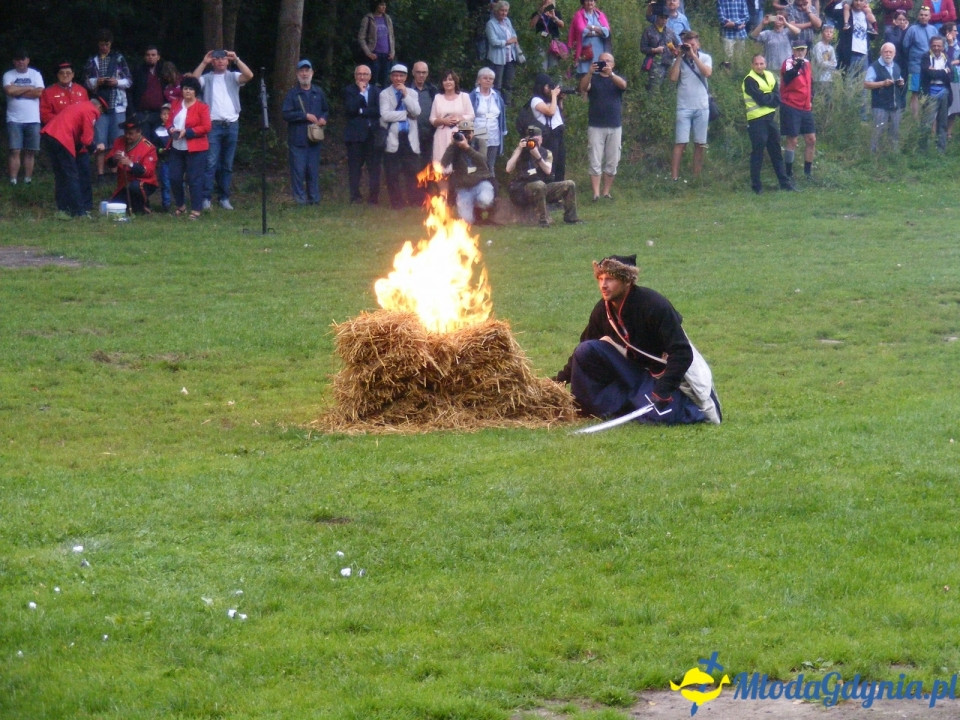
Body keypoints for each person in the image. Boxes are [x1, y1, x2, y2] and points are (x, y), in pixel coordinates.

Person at [553, 254, 721, 425]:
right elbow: (582, 350)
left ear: (627, 281)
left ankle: (686, 409)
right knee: (585, 350)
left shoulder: (654, 305)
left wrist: (663, 390)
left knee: (660, 415)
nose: (603, 285)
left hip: (661, 377)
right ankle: (610, 405)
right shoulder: (602, 310)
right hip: (631, 372)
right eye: (600, 278)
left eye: (610, 279)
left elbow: (682, 353)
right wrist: (556, 384)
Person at [193, 48, 254, 210]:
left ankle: (224, 197)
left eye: (223, 59)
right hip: (213, 125)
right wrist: (203, 62)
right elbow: (191, 82)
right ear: (212, 62)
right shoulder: (206, 78)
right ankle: (206, 198)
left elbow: (249, 75)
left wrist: (237, 59)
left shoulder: (233, 76)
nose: (220, 61)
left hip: (232, 124)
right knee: (210, 163)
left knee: (227, 164)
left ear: (227, 61)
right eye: (217, 59)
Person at [40, 97, 106, 219]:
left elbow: (77, 133)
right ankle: (79, 211)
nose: (99, 116)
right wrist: (95, 148)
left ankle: (63, 208)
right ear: (99, 108)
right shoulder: (91, 111)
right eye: (102, 112)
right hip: (63, 138)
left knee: (60, 175)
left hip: (49, 135)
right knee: (72, 175)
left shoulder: (79, 105)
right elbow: (87, 139)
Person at [505, 125, 581, 226]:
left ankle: (571, 218)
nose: (534, 143)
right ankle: (543, 220)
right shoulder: (520, 152)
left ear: (541, 139)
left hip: (542, 188)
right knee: (539, 185)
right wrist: (519, 149)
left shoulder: (546, 153)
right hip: (523, 190)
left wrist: (537, 156)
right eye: (531, 140)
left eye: (537, 140)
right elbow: (508, 169)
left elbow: (548, 171)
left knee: (569, 184)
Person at [742, 54, 795, 193]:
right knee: (758, 152)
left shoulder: (770, 76)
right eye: (756, 64)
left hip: (770, 119)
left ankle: (784, 183)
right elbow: (761, 100)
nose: (759, 66)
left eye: (761, 63)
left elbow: (778, 97)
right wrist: (770, 97)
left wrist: (769, 97)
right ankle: (756, 186)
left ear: (765, 64)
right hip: (756, 120)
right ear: (752, 65)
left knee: (776, 151)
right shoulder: (749, 80)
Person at [85, 29, 131, 182]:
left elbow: (129, 81)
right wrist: (96, 82)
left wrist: (116, 82)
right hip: (99, 105)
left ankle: (115, 171)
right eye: (101, 44)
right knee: (100, 140)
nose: (104, 47)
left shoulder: (118, 59)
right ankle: (100, 173)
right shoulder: (93, 60)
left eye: (106, 44)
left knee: (117, 140)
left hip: (117, 104)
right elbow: (87, 81)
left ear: (110, 44)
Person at [281, 59, 330, 205]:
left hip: (314, 139)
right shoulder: (292, 94)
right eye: (301, 71)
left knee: (313, 171)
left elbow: (326, 110)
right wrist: (304, 116)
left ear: (312, 73)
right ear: (297, 73)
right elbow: (286, 114)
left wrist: (323, 118)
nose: (304, 73)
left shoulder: (318, 92)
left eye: (307, 70)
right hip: (297, 139)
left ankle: (314, 199)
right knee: (298, 171)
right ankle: (300, 200)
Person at [579, 51, 626, 199]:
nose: (604, 63)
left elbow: (623, 85)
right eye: (601, 61)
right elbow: (583, 87)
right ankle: (596, 193)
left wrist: (611, 74)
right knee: (595, 159)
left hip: (614, 125)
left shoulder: (616, 78)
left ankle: (606, 192)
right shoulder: (594, 78)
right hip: (596, 125)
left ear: (613, 64)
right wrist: (589, 73)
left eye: (608, 61)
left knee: (613, 160)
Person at [667, 31, 712, 182]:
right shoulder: (679, 59)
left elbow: (707, 73)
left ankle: (696, 177)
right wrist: (680, 56)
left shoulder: (705, 58)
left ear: (698, 45)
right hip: (684, 106)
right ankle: (674, 177)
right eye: (688, 44)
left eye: (693, 44)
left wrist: (693, 55)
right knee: (680, 142)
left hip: (702, 106)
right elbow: (673, 78)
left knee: (700, 143)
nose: (690, 47)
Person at [166, 75, 211, 219]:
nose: (188, 92)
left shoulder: (202, 107)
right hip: (176, 147)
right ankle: (181, 205)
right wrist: (171, 129)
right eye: (185, 88)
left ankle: (196, 209)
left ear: (195, 91)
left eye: (191, 89)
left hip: (196, 149)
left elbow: (206, 127)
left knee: (194, 179)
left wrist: (188, 132)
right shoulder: (175, 104)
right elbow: (168, 122)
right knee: (174, 177)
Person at [379, 64, 422, 209]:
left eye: (401, 76)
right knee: (392, 173)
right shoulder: (385, 94)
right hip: (394, 137)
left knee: (412, 171)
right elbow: (385, 115)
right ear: (391, 77)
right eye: (395, 75)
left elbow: (416, 112)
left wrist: (405, 95)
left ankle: (414, 200)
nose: (398, 78)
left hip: (410, 138)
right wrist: (405, 115)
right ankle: (396, 203)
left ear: (406, 77)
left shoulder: (412, 93)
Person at [440, 119, 495, 224]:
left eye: (468, 133)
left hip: (480, 183)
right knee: (466, 221)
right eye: (463, 132)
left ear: (473, 132)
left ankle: (481, 209)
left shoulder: (479, 142)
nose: (465, 136)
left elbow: (483, 160)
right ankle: (473, 211)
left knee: (485, 200)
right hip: (464, 188)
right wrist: (452, 145)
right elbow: (444, 164)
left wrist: (467, 148)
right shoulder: (455, 146)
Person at [4, 50, 44, 186]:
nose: (21, 62)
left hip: (33, 119)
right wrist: (28, 88)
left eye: (23, 59)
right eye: (18, 59)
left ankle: (28, 180)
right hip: (14, 119)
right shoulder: (8, 74)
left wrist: (18, 91)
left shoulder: (35, 74)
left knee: (30, 151)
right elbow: (9, 91)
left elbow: (39, 92)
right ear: (14, 61)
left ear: (28, 60)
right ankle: (13, 180)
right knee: (15, 150)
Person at [343, 64, 382, 204]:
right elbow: (350, 109)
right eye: (359, 74)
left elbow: (378, 111)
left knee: (374, 169)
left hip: (372, 136)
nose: (362, 77)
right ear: (355, 76)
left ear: (370, 77)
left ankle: (373, 198)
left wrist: (361, 111)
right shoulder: (349, 90)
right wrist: (360, 93)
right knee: (354, 169)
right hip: (355, 137)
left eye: (365, 74)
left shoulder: (377, 91)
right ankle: (355, 197)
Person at [105, 116, 158, 214]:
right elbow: (109, 163)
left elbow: (148, 172)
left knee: (135, 188)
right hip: (124, 183)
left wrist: (131, 164)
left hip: (144, 182)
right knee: (115, 205)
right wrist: (114, 159)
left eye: (131, 134)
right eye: (126, 133)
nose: (127, 136)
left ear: (139, 132)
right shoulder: (119, 142)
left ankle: (144, 205)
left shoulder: (149, 148)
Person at [780, 41, 816, 178]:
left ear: (806, 50)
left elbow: (810, 83)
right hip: (791, 104)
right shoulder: (788, 62)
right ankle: (788, 173)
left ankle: (808, 173)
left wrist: (811, 98)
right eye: (798, 50)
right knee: (792, 140)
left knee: (811, 139)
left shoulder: (807, 63)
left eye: (803, 50)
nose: (800, 52)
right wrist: (797, 67)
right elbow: (787, 77)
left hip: (805, 106)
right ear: (793, 50)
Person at [864, 41, 906, 151]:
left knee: (894, 133)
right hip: (880, 105)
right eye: (885, 52)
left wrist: (901, 83)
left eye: (890, 52)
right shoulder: (874, 67)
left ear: (894, 54)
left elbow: (900, 80)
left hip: (895, 104)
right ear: (881, 53)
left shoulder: (896, 66)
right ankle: (873, 157)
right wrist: (882, 83)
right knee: (877, 132)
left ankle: (892, 157)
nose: (888, 54)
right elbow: (866, 84)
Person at [430, 70, 474, 168]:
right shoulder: (438, 97)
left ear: (455, 82)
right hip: (441, 135)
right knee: (441, 168)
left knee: (459, 167)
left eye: (450, 79)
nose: (448, 82)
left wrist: (460, 118)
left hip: (459, 135)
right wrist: (443, 121)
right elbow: (432, 119)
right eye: (445, 80)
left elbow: (471, 115)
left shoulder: (464, 96)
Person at [470, 67, 508, 178]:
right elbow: (466, 115)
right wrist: (466, 133)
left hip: (493, 133)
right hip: (477, 133)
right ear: (479, 80)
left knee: (490, 165)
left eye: (491, 79)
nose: (488, 80)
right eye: (485, 78)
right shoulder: (473, 96)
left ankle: (491, 189)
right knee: (477, 163)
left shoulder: (497, 97)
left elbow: (502, 117)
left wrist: (503, 131)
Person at [530, 73, 568, 181]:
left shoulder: (550, 99)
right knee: (552, 163)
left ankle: (560, 190)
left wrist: (559, 100)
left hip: (558, 133)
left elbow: (558, 112)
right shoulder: (535, 100)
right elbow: (550, 112)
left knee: (561, 163)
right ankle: (549, 189)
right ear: (540, 86)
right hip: (549, 135)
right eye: (547, 86)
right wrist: (554, 96)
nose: (548, 89)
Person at [903, 6, 939, 115]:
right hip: (916, 66)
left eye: (926, 15)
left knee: (930, 91)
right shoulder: (912, 29)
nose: (923, 17)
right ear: (918, 16)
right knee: (915, 92)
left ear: (930, 17)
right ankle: (915, 120)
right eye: (921, 15)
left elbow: (938, 45)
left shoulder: (933, 29)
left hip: (930, 66)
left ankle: (928, 116)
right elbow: (905, 46)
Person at [486, 0, 521, 106]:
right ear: (497, 11)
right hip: (497, 58)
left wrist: (515, 38)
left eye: (506, 11)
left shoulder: (507, 21)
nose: (504, 13)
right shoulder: (490, 24)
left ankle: (508, 104)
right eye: (502, 10)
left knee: (509, 83)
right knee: (497, 84)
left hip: (510, 56)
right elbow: (493, 41)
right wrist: (507, 42)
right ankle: (497, 104)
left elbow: (513, 33)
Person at [920, 34, 951, 149]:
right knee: (926, 122)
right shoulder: (925, 57)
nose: (936, 48)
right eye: (934, 46)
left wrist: (936, 72)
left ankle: (941, 150)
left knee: (943, 123)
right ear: (930, 46)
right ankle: (923, 150)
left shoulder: (946, 57)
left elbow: (950, 75)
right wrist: (943, 71)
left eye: (939, 46)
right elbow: (929, 74)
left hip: (944, 91)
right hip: (930, 92)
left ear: (943, 46)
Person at [641, 3, 680, 91]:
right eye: (662, 17)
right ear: (657, 17)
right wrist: (654, 50)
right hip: (654, 66)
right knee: (653, 90)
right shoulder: (649, 31)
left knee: (666, 90)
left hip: (668, 64)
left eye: (666, 18)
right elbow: (643, 48)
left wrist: (675, 51)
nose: (664, 20)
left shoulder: (670, 32)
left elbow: (677, 46)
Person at [358, 1, 396, 90]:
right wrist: (368, 53)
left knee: (385, 81)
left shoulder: (387, 18)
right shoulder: (368, 18)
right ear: (376, 6)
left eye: (385, 5)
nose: (383, 7)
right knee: (373, 80)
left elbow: (392, 36)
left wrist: (392, 51)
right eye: (381, 5)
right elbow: (361, 37)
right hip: (374, 54)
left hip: (387, 55)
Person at [130, 46, 165, 140]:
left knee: (160, 141)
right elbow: (130, 92)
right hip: (142, 114)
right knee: (144, 142)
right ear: (145, 57)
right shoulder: (138, 71)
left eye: (153, 55)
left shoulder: (163, 71)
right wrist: (133, 112)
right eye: (148, 55)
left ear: (158, 57)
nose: (150, 57)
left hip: (160, 114)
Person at [569, 0, 612, 76]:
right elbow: (582, 31)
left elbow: (606, 31)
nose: (590, 3)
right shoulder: (579, 15)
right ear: (583, 2)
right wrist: (599, 31)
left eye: (591, 0)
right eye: (587, 1)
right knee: (584, 76)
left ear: (595, 2)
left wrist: (592, 27)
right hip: (584, 52)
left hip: (599, 52)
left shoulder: (600, 15)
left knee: (598, 75)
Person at [408, 62, 438, 169]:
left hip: (428, 134)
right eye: (418, 72)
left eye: (424, 72)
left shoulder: (432, 90)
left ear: (427, 74)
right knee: (411, 166)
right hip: (409, 134)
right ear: (413, 73)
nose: (421, 75)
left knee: (426, 165)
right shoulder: (406, 89)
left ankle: (426, 185)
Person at [41, 61, 89, 126]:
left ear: (73, 75)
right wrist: (62, 121)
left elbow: (87, 111)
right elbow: (45, 114)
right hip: (57, 128)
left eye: (68, 73)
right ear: (57, 75)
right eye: (61, 73)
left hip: (78, 128)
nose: (65, 75)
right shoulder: (48, 92)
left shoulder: (82, 90)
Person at [530, 0, 567, 70]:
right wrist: (540, 13)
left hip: (553, 43)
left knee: (553, 66)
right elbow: (532, 25)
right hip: (541, 42)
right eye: (546, 3)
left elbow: (562, 25)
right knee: (542, 66)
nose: (548, 5)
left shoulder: (556, 13)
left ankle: (553, 80)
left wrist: (554, 17)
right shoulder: (536, 14)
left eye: (550, 4)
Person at [813, 23, 839, 98]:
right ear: (822, 33)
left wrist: (827, 64)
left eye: (831, 32)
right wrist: (829, 63)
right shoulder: (818, 46)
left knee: (828, 101)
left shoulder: (831, 48)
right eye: (827, 31)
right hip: (819, 78)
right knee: (819, 98)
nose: (829, 34)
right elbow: (820, 63)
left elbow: (835, 64)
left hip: (829, 79)